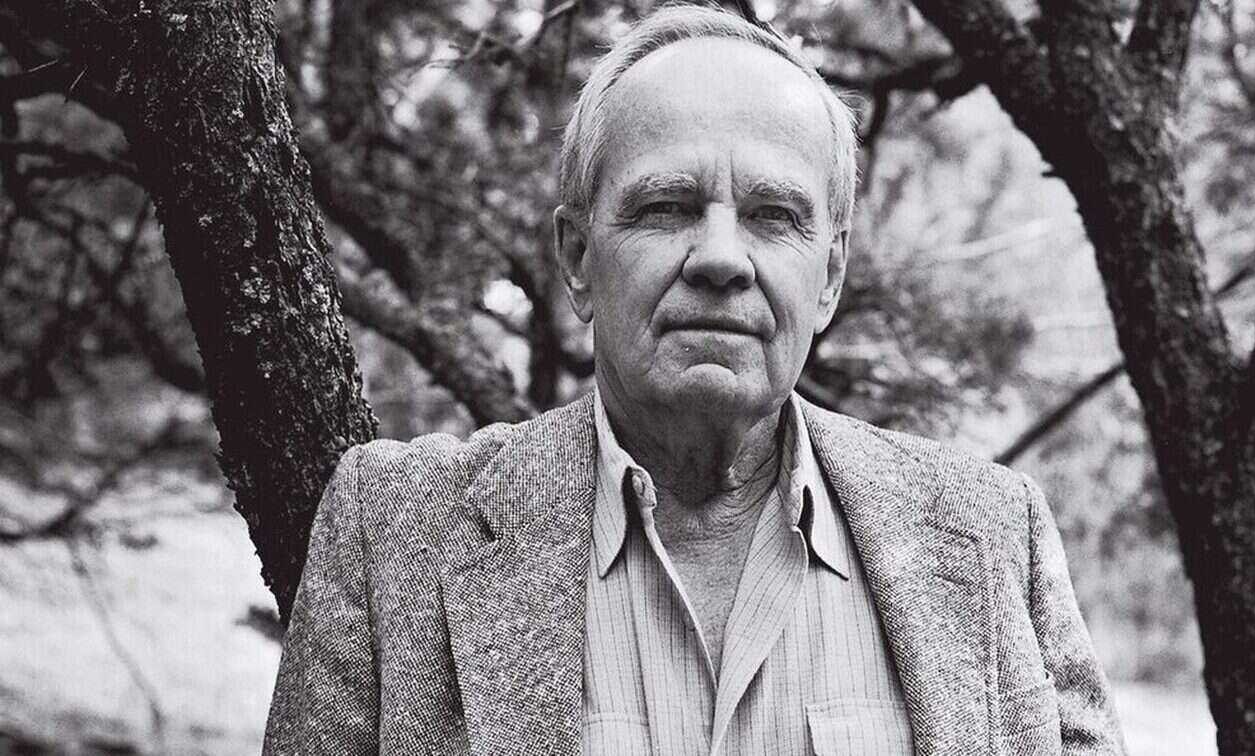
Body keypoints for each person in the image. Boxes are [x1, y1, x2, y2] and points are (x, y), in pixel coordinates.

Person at [263, 5, 1126, 755]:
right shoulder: (392, 533)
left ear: (829, 277)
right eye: (666, 207)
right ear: (578, 257)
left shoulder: (991, 537)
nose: (720, 257)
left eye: (773, 216)